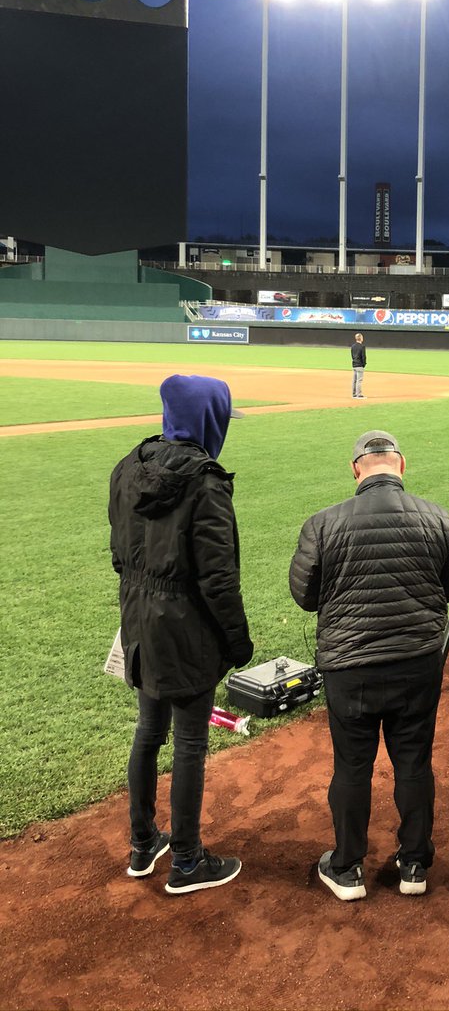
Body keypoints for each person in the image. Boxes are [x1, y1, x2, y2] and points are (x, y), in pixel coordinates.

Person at [289, 429, 449, 901]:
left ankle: (347, 867)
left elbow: (304, 595)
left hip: (350, 668)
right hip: (417, 662)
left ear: (356, 470)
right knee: (414, 763)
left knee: (352, 766)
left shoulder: (322, 524)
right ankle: (415, 864)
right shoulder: (437, 518)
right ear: (401, 465)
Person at [108, 374, 254, 895]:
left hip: (139, 622)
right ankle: (188, 861)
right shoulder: (206, 484)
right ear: (209, 420)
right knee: (190, 742)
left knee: (149, 731)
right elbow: (218, 579)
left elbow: (118, 554)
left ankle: (143, 842)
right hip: (187, 630)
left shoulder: (128, 466)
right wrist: (238, 642)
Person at [350, 332, 367, 398]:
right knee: (359, 380)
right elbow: (363, 357)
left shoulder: (353, 346)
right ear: (361, 338)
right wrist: (364, 364)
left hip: (354, 364)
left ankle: (354, 394)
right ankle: (359, 394)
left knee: (354, 380)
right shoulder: (362, 346)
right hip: (360, 365)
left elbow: (352, 355)